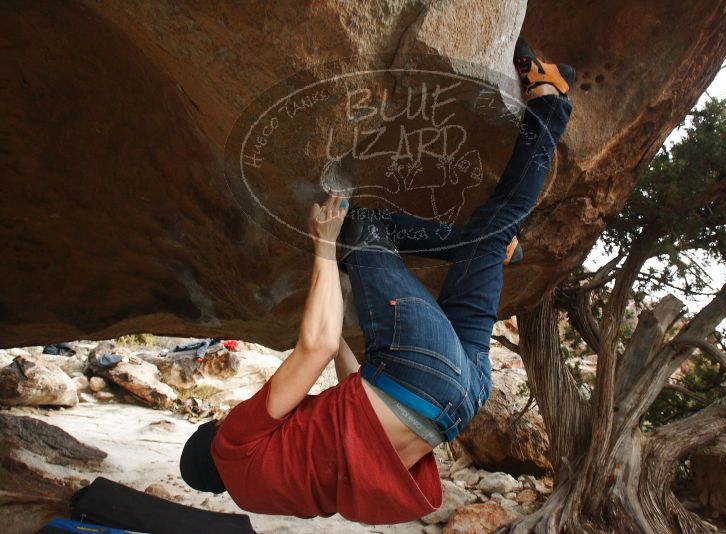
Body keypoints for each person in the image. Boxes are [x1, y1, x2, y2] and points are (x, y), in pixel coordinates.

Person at [179, 36, 574, 525]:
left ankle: (547, 108)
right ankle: (475, 243)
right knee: (360, 228)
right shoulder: (234, 442)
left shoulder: (275, 492)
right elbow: (316, 347)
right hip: (417, 372)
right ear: (214, 439)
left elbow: (351, 404)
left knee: (492, 235)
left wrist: (346, 319)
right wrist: (325, 247)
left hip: (460, 401)